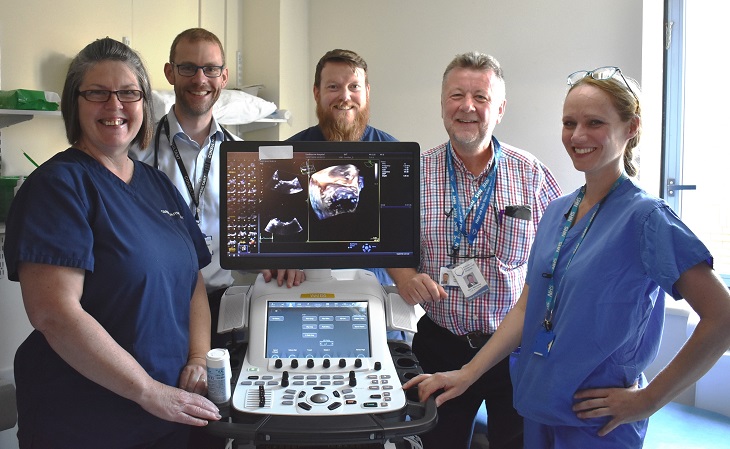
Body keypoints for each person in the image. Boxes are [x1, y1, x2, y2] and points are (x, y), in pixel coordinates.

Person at [403, 66, 730, 448]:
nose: (578, 135)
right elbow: (526, 309)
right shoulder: (558, 212)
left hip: (599, 420)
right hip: (539, 402)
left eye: (594, 122)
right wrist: (467, 373)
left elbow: (721, 318)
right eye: (569, 122)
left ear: (632, 127)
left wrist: (648, 400)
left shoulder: (647, 219)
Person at [3, 37, 221, 448]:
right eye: (97, 93)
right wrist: (148, 391)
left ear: (144, 103)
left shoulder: (156, 184)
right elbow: (55, 314)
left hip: (171, 412)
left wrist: (197, 360)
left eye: (128, 93)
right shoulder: (58, 187)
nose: (115, 105)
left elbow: (191, 279)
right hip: (88, 421)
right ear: (75, 103)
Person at [387, 52, 561, 449]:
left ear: (499, 109)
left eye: (481, 97)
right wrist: (405, 277)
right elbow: (390, 244)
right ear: (443, 103)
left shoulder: (530, 173)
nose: (468, 107)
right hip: (440, 343)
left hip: (513, 348)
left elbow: (561, 252)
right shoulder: (414, 172)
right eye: (457, 95)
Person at [131, 28, 303, 350]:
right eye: (188, 68)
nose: (200, 79)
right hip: (158, 303)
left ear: (223, 76)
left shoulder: (245, 159)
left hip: (223, 304)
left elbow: (248, 243)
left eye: (210, 69)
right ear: (170, 72)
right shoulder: (136, 153)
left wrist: (276, 259)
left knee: (222, 394)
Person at [287, 49, 403, 339]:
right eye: (333, 87)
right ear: (316, 93)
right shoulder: (287, 155)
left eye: (354, 86)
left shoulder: (395, 156)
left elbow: (404, 240)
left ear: (367, 92)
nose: (345, 96)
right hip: (306, 301)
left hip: (375, 305)